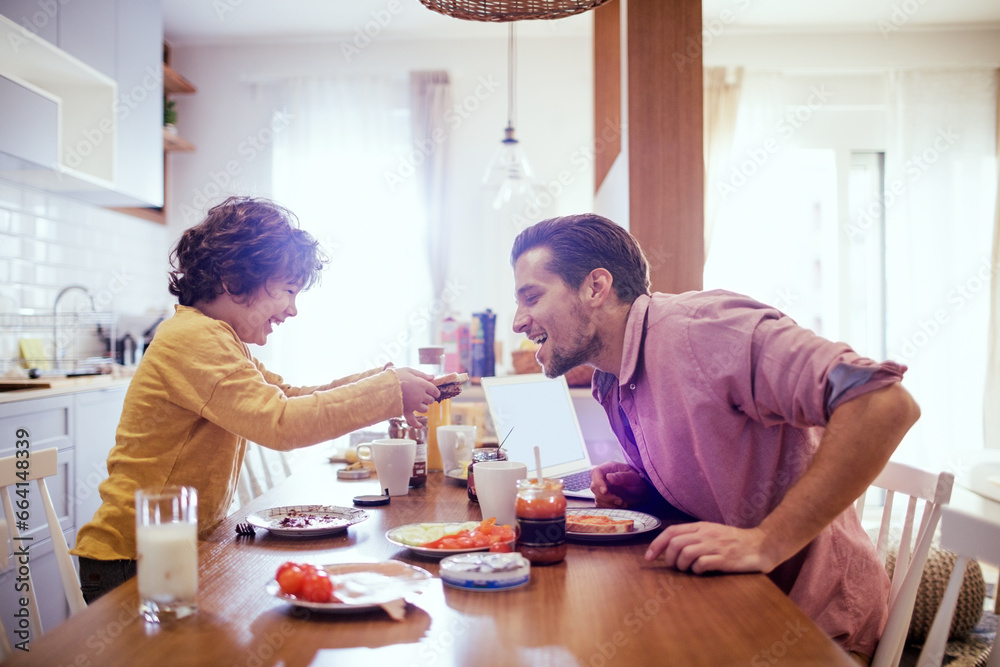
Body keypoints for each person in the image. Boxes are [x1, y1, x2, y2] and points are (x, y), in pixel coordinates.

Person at [510, 213, 920, 662]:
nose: (517, 321)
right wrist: (646, 492)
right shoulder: (610, 380)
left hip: (811, 623)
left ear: (595, 287)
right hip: (727, 596)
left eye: (531, 297)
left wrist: (765, 542)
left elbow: (885, 405)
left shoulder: (708, 330)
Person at [72, 196, 439, 603]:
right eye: (287, 290)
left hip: (173, 547)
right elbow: (281, 422)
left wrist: (381, 380)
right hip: (134, 558)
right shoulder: (193, 339)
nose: (293, 309)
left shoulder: (217, 337)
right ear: (233, 279)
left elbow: (287, 396)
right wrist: (387, 392)